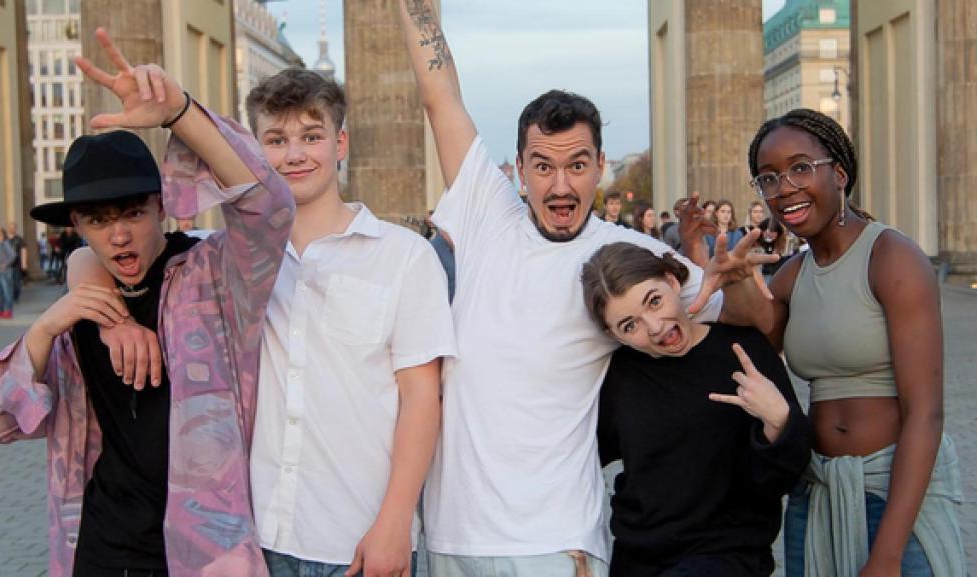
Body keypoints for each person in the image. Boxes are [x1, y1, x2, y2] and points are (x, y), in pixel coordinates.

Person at [397, 2, 774, 575]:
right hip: (453, 536)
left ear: (600, 165)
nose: (560, 183)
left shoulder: (633, 255)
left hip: (556, 539)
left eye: (577, 164)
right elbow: (438, 93)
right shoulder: (484, 211)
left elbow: (736, 317)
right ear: (518, 172)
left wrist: (742, 283)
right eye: (542, 167)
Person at [0, 27, 294, 577]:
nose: (117, 236)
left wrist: (180, 113)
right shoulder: (78, 309)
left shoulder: (213, 277)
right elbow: (5, 422)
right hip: (98, 548)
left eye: (131, 214)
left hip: (204, 553)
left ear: (161, 208)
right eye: (98, 222)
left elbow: (268, 207)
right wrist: (43, 330)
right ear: (77, 226)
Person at [241, 66, 455, 577]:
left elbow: (422, 399)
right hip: (255, 539)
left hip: (356, 540)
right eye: (276, 140)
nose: (294, 154)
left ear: (340, 143)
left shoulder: (403, 257)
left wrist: (396, 522)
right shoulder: (241, 258)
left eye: (311, 137)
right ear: (256, 153)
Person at [745, 108, 965, 576]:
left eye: (800, 168)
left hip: (894, 493)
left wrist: (886, 556)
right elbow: (742, 355)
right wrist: (722, 279)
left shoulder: (891, 257)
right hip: (818, 491)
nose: (784, 188)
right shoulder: (792, 275)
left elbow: (926, 413)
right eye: (768, 178)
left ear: (839, 174)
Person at [582, 242, 810, 577]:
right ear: (612, 334)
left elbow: (782, 479)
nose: (656, 327)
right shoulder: (617, 377)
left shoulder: (741, 350)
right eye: (630, 325)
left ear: (672, 283)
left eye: (655, 301)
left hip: (727, 557)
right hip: (637, 560)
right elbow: (580, 458)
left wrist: (779, 423)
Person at [6, 221, 27, 301]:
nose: (11, 229)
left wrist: (24, 263)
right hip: (7, 265)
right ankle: (9, 296)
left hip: (16, 264)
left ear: (15, 229)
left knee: (16, 282)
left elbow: (23, 250)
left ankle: (16, 296)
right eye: (10, 227)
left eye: (13, 227)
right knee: (8, 282)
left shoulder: (19, 239)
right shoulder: (5, 239)